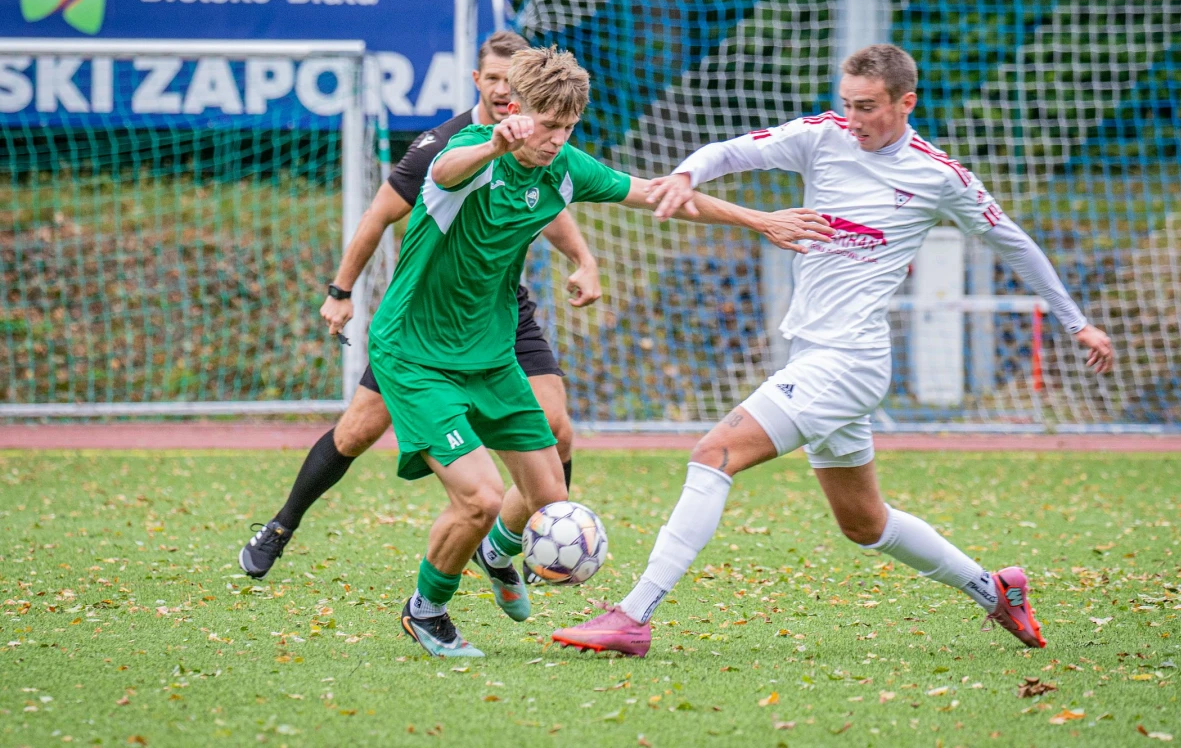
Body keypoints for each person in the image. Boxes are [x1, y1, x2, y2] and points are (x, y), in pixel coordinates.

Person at [551, 43, 1116, 658]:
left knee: (714, 453)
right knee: (865, 523)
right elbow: (731, 151)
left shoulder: (938, 176)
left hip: (849, 362)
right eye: (846, 103)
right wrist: (688, 174)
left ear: (906, 103)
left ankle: (633, 616)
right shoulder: (823, 136)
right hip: (813, 356)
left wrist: (1076, 323)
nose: (853, 119)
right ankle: (994, 589)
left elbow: (1015, 243)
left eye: (867, 107)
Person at [374, 45, 834, 657]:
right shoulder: (474, 152)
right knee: (480, 498)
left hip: (489, 355)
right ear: (513, 108)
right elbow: (445, 172)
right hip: (416, 354)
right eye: (546, 124)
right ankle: (427, 609)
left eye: (568, 127)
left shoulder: (564, 166)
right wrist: (493, 145)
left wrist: (760, 220)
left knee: (550, 502)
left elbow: (661, 195)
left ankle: (495, 552)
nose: (555, 139)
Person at [239, 33, 594, 607]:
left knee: (557, 427)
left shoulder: (545, 146)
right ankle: (282, 524)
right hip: (427, 319)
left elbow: (550, 201)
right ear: (480, 82)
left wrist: (584, 259)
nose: (503, 89)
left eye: (512, 79)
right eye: (494, 78)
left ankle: (517, 548)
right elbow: (379, 215)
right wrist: (340, 291)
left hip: (501, 312)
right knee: (357, 431)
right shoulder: (444, 146)